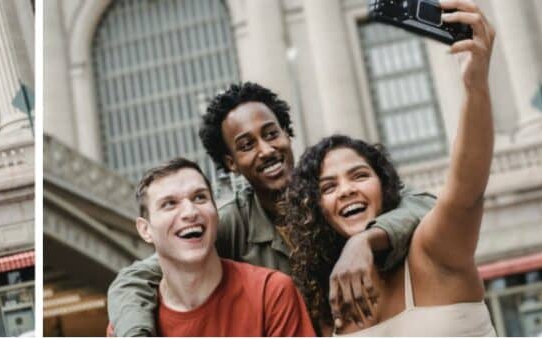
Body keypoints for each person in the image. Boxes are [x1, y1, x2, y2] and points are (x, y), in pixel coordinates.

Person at [108, 83, 437, 335]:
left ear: (287, 134)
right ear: (230, 163)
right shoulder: (226, 224)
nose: (266, 150)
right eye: (247, 145)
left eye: (271, 134)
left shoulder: (334, 190)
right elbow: (135, 279)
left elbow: (426, 206)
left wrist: (363, 241)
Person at [285, 1, 497, 335]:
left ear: (385, 186)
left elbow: (466, 191)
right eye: (328, 187)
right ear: (316, 210)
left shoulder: (433, 252)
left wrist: (475, 86)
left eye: (359, 175)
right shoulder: (329, 307)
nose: (346, 189)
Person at [114, 158, 315, 336]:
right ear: (145, 230)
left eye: (199, 197)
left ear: (217, 214)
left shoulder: (271, 294)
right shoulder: (129, 324)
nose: (190, 212)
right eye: (169, 204)